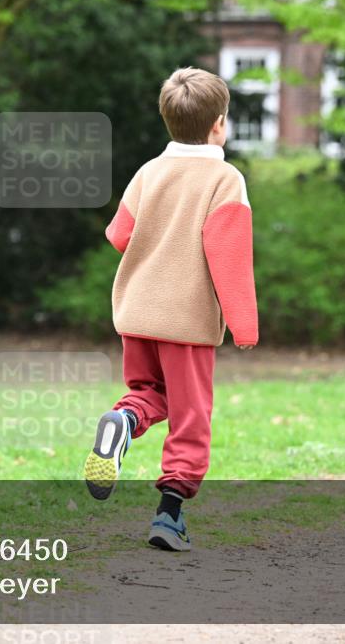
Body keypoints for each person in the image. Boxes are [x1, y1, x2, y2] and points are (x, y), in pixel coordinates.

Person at [82, 67, 258, 551]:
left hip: (137, 312)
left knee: (148, 392)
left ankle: (123, 422)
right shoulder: (225, 179)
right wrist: (244, 323)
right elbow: (229, 255)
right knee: (190, 416)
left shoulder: (148, 172)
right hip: (186, 322)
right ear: (218, 124)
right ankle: (169, 515)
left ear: (167, 120)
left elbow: (118, 235)